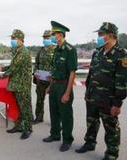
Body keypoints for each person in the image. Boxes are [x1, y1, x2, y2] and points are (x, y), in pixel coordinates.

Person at [75, 22, 127, 160]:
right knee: (91, 122)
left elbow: (122, 81)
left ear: (110, 36)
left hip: (108, 99)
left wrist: (117, 103)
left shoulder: (121, 54)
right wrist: (87, 92)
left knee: (110, 127)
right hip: (93, 96)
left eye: (101, 34)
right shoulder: (97, 52)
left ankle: (112, 153)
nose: (98, 37)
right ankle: (89, 143)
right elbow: (91, 73)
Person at [43, 21, 77, 152]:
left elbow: (72, 73)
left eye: (54, 34)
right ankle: (55, 134)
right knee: (54, 112)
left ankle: (67, 139)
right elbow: (55, 70)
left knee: (66, 115)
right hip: (55, 86)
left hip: (64, 86)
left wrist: (67, 93)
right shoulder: (57, 49)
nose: (52, 36)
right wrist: (50, 85)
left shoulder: (70, 50)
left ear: (61, 35)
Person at [0, 29, 32, 140]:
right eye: (12, 38)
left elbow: (14, 69)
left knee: (25, 108)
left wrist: (0, 76)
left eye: (14, 38)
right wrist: (2, 68)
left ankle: (28, 129)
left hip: (22, 85)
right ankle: (19, 126)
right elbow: (13, 65)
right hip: (17, 84)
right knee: (19, 107)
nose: (12, 41)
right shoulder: (17, 51)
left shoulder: (23, 52)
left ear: (20, 39)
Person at [33, 30, 55, 124]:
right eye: (44, 38)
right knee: (39, 99)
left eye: (48, 38)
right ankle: (39, 117)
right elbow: (36, 64)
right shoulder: (40, 51)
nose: (46, 39)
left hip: (51, 80)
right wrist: (34, 73)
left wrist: (53, 75)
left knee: (54, 101)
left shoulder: (55, 50)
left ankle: (55, 120)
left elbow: (58, 66)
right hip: (41, 79)